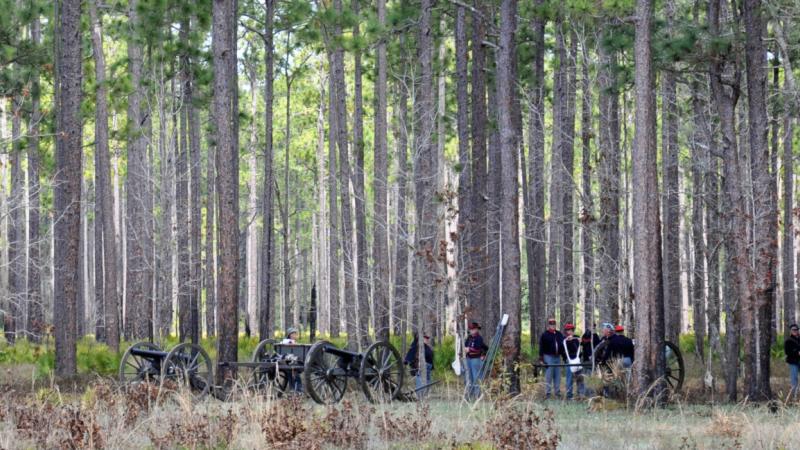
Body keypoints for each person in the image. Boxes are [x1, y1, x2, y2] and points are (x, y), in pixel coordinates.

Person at [539, 318, 565, 399]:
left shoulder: (559, 334)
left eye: (554, 324)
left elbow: (563, 346)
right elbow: (541, 347)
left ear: (555, 325)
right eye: (551, 324)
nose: (552, 326)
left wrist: (564, 357)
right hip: (548, 356)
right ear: (548, 325)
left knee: (557, 375)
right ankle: (548, 394)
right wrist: (541, 359)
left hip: (558, 357)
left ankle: (557, 393)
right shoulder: (545, 335)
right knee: (549, 375)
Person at [464, 322, 488, 400]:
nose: (471, 331)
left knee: (476, 377)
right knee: (469, 377)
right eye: (470, 329)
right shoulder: (469, 338)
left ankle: (477, 395)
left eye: (473, 329)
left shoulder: (479, 338)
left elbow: (479, 349)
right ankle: (470, 394)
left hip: (476, 359)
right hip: (469, 359)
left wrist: (469, 349)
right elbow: (465, 346)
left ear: (477, 329)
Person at [562, 323, 585, 399]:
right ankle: (569, 396)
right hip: (569, 361)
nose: (568, 332)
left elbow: (580, 347)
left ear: (572, 330)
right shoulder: (564, 339)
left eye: (570, 330)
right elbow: (563, 350)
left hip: (577, 360)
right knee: (569, 379)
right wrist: (569, 341)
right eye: (567, 330)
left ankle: (581, 394)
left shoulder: (577, 338)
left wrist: (580, 341)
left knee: (580, 378)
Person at [281, 327, 302, 393]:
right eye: (293, 334)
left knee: (291, 372)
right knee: (293, 372)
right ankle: (297, 390)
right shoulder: (289, 342)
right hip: (292, 361)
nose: (295, 335)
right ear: (289, 335)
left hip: (290, 361)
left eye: (295, 334)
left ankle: (295, 389)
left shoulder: (287, 342)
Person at [786, 324, 800, 398]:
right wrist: (797, 352)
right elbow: (787, 352)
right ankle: (794, 396)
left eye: (796, 330)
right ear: (791, 331)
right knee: (794, 379)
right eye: (794, 330)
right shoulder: (788, 341)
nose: (795, 331)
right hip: (793, 362)